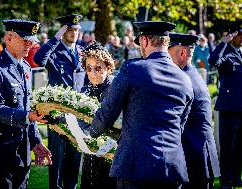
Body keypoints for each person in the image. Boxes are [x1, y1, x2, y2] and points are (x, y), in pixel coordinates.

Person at [85, 21, 194, 189]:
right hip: (172, 167)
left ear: (144, 41)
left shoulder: (132, 69)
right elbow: (180, 125)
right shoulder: (185, 79)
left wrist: (88, 134)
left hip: (136, 167)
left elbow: (108, 111)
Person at [0, 19, 52, 189]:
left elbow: (26, 107)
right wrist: (27, 116)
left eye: (32, 41)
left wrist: (36, 141)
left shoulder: (25, 67)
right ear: (9, 38)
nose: (30, 45)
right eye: (25, 40)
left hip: (22, 152)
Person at [34, 14, 86, 189]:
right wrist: (55, 38)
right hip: (57, 113)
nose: (74, 34)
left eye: (76, 30)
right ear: (63, 31)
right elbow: (38, 59)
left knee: (74, 156)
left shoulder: (81, 51)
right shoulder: (54, 50)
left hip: (77, 114)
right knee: (56, 157)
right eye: (70, 30)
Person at [169, 33, 221, 189]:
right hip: (197, 156)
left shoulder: (184, 80)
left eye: (167, 52)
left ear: (183, 53)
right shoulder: (190, 75)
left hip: (195, 158)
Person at [209, 20, 242, 189]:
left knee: (240, 146)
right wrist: (223, 42)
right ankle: (226, 181)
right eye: (238, 34)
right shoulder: (225, 52)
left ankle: (236, 178)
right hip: (229, 108)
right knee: (228, 146)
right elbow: (213, 61)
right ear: (231, 36)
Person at [79, 42, 117, 189]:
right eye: (89, 68)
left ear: (108, 67)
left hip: (111, 153)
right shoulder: (85, 90)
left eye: (98, 68)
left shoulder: (116, 89)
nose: (93, 73)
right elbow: (78, 117)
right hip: (90, 151)